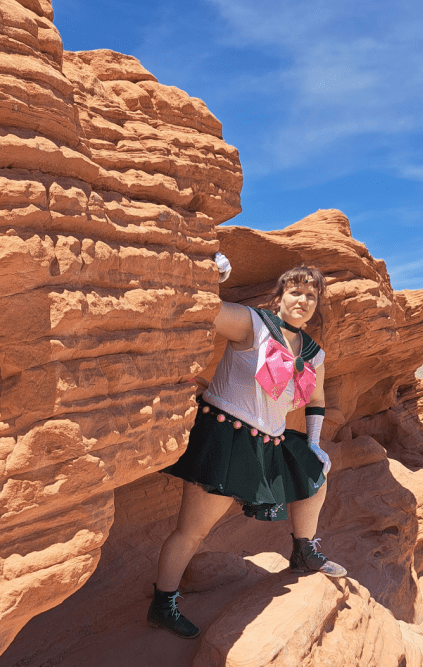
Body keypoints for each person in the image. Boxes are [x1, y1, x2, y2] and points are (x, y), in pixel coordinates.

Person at [147, 255, 347, 639]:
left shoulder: (313, 353)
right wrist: (211, 274)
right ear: (280, 296)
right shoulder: (253, 324)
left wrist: (315, 443)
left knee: (314, 474)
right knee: (192, 531)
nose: (303, 300)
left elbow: (317, 400)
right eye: (296, 291)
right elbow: (203, 308)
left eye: (311, 295)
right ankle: (163, 604)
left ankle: (304, 551)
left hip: (270, 442)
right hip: (226, 438)